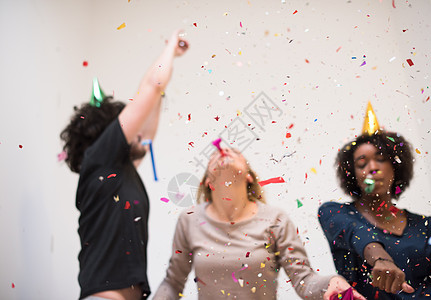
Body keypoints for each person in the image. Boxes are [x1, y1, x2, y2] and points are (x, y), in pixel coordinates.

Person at [60, 30, 188, 300]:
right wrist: (170, 49)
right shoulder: (100, 159)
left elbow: (148, 135)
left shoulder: (118, 172)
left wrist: (159, 94)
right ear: (108, 132)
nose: (137, 131)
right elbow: (152, 85)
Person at [153, 147, 365, 299]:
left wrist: (330, 283)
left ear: (248, 177)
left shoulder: (275, 219)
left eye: (234, 153)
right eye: (215, 156)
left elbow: (304, 279)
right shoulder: (189, 219)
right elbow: (172, 283)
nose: (224, 153)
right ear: (208, 181)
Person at [318, 103, 431, 299]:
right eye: (362, 163)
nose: (372, 167)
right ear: (353, 175)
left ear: (396, 167)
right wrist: (380, 259)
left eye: (381, 159)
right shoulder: (335, 213)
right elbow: (357, 232)